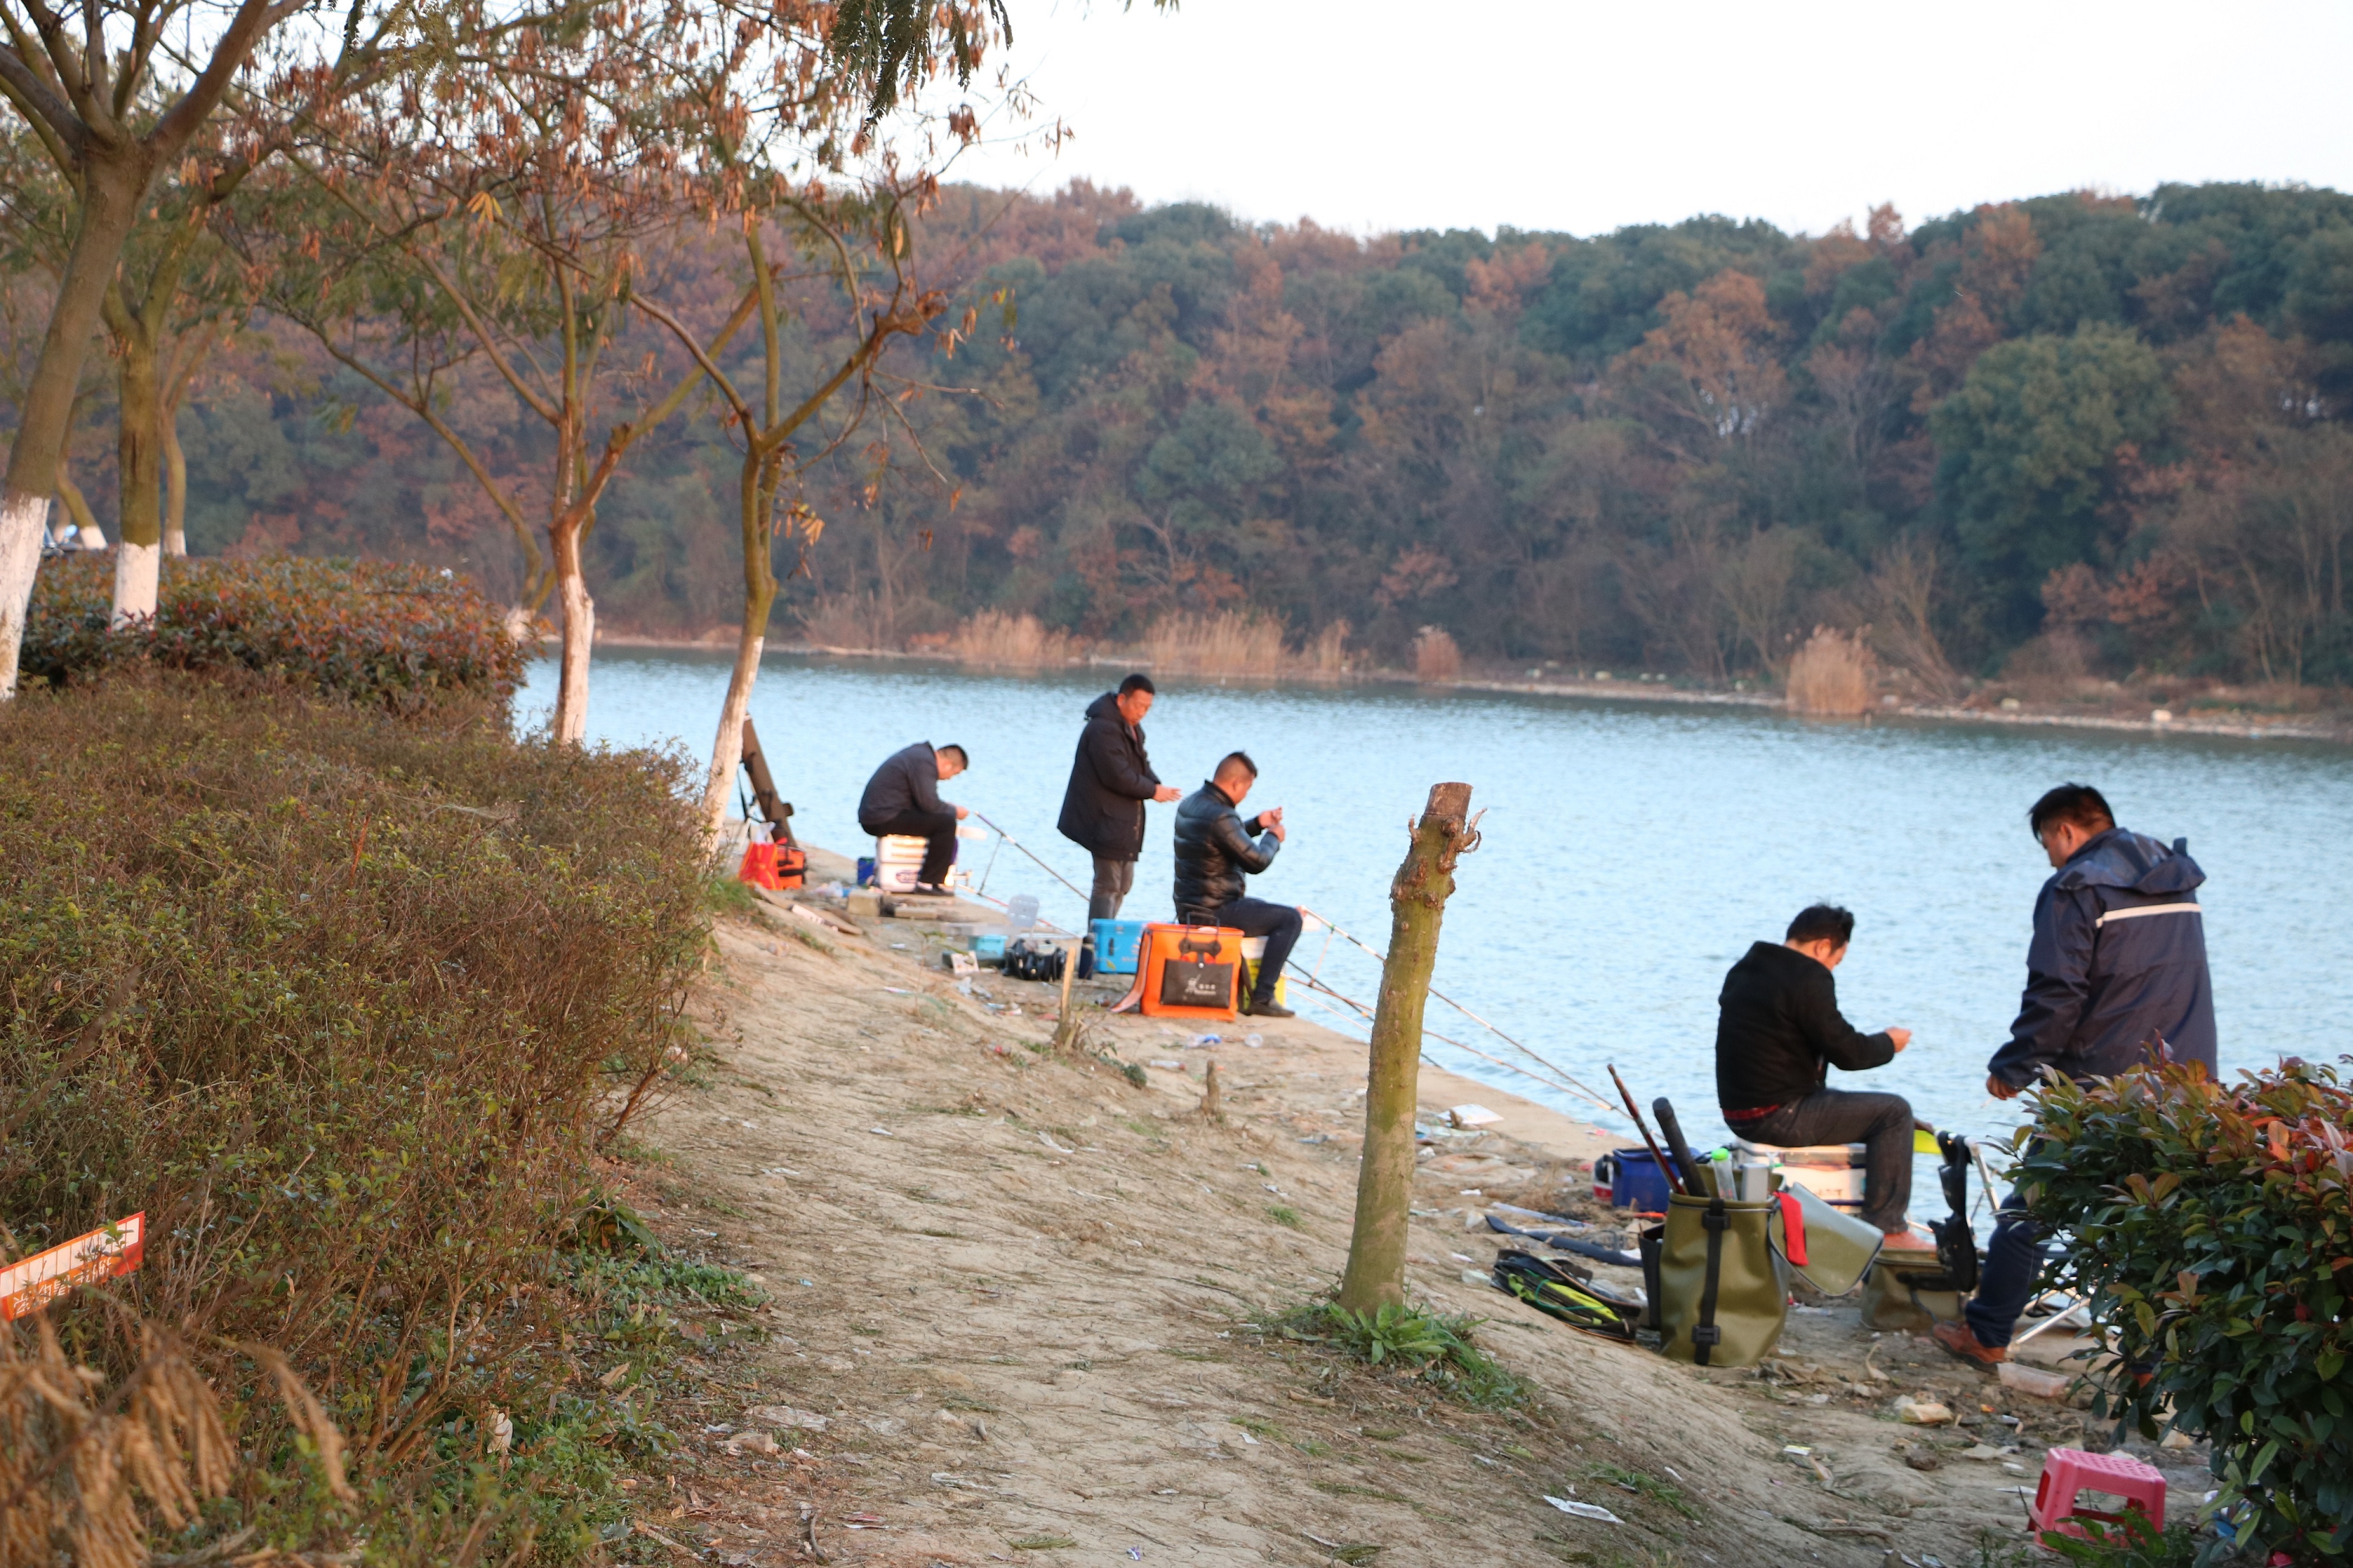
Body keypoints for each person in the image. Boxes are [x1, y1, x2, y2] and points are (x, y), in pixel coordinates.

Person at [1935, 783, 2217, 1367]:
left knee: (2030, 1209)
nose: (2048, 856)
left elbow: (2057, 990)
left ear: (2064, 830)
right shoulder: (2175, 873)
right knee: (2158, 1223)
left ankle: (1986, 1333)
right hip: (2185, 1081)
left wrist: (2015, 1065)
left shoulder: (2075, 886)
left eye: (2046, 843)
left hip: (2099, 1084)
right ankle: (2151, 1366)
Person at [1714, 905, 1928, 1247]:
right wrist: (1889, 1043)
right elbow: (1848, 1052)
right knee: (1894, 1112)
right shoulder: (1807, 977)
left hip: (1738, 1113)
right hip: (1778, 1115)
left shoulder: (1749, 967)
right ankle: (1890, 1231)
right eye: (1836, 961)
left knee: (1870, 1109)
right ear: (1823, 947)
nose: (1832, 969)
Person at [1172, 751, 1299, 1019]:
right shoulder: (1222, 816)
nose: (1246, 795)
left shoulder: (1192, 804)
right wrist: (1273, 837)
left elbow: (1223, 841)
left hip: (1190, 906)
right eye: (1248, 788)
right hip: (1215, 911)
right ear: (1236, 785)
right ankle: (1263, 997)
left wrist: (1257, 824)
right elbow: (1256, 861)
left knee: (1264, 909)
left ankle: (1245, 987)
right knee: (1290, 919)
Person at [1056, 673, 1181, 926]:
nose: (1142, 712)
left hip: (1123, 821)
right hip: (1103, 820)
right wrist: (1152, 791)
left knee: (1124, 884)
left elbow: (1140, 766)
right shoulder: (1103, 729)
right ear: (1122, 699)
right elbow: (1117, 775)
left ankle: (1108, 933)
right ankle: (1096, 942)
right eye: (1139, 706)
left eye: (1147, 708)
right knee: (1108, 883)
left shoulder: (1133, 730)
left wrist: (1157, 785)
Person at [856, 740, 969, 893]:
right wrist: (954, 811)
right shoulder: (924, 763)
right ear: (947, 765)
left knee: (942, 817)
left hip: (878, 814)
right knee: (946, 823)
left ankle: (931, 880)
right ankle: (928, 883)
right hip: (882, 817)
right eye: (954, 774)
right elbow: (929, 805)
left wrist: (946, 808)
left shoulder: (920, 756)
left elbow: (925, 802)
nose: (950, 778)